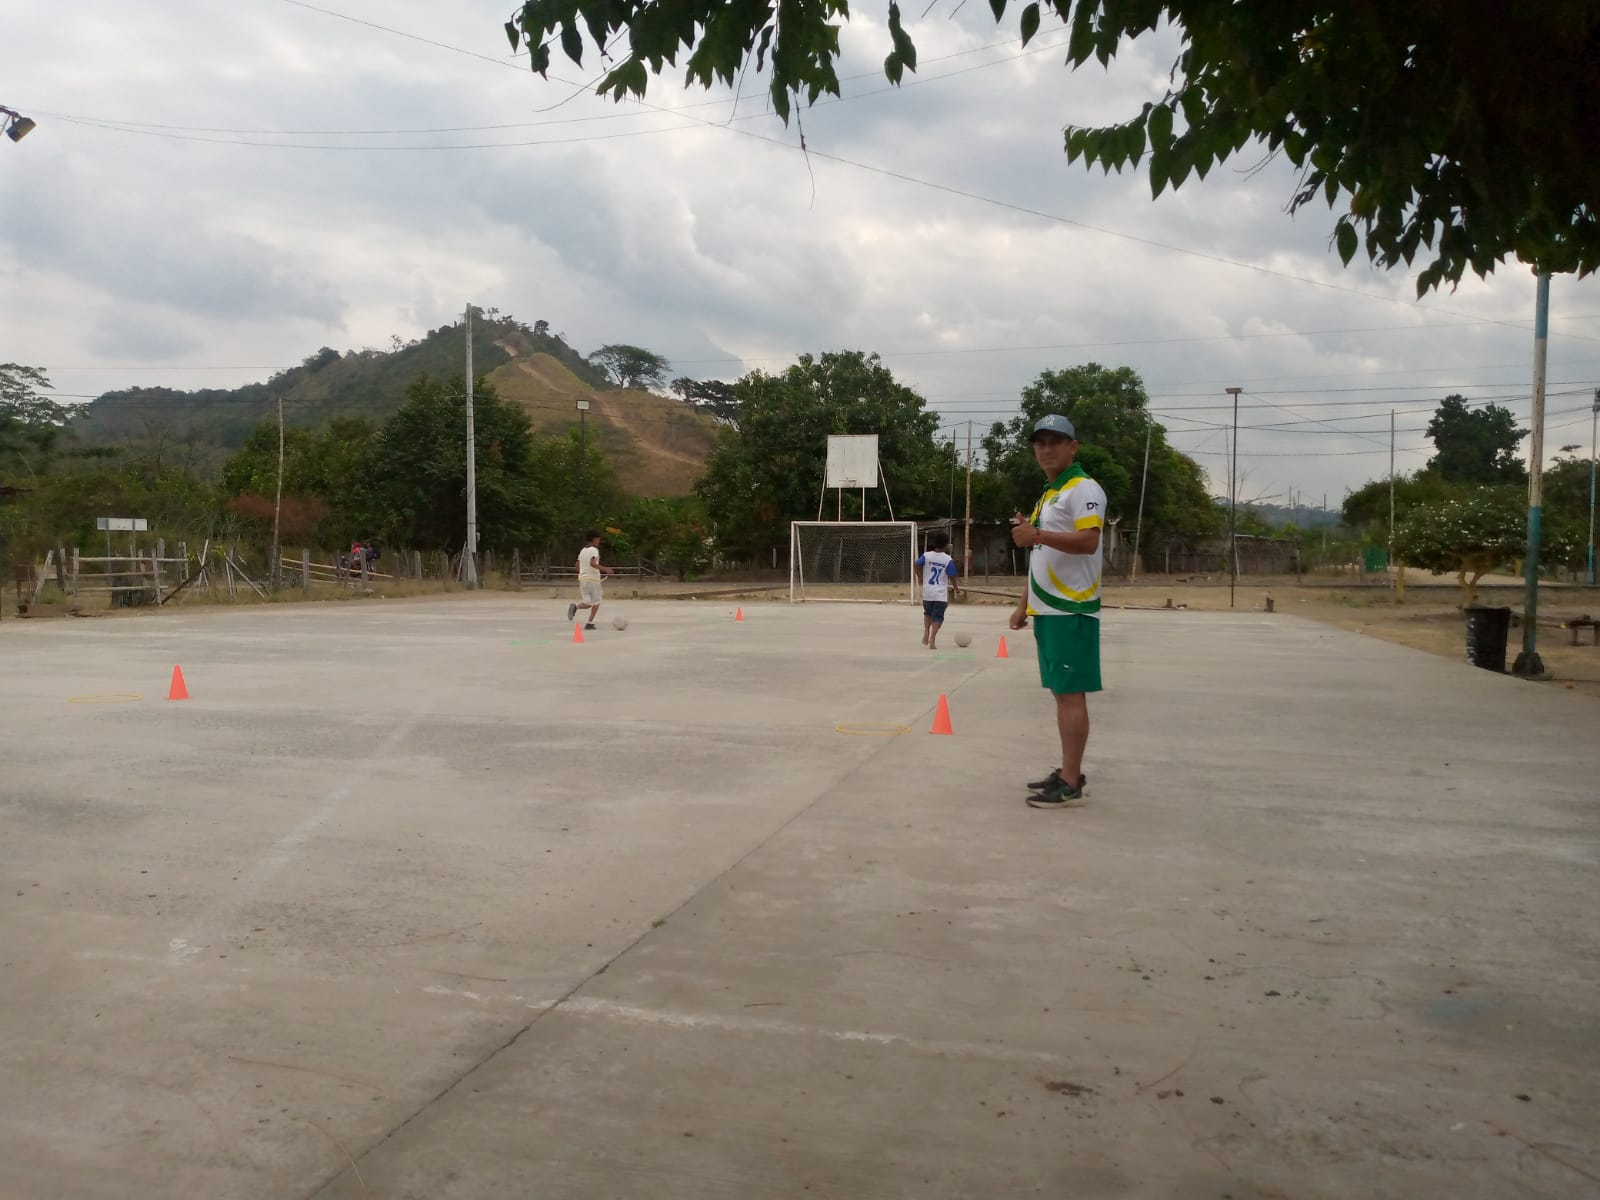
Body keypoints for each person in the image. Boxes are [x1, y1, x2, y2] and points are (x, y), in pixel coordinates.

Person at [1009, 414, 1106, 810]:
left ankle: (1071, 781)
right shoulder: (1050, 493)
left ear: (1073, 446)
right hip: (1049, 609)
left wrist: (1037, 533)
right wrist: (1024, 604)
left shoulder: (1083, 488)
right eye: (1040, 443)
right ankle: (1067, 770)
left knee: (1070, 695)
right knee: (1061, 693)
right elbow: (1040, 554)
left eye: (1055, 441)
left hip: (1071, 609)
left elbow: (1088, 541)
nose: (1046, 449)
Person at [915, 530, 959, 650]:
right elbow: (952, 575)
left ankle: (926, 631)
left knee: (928, 613)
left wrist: (920, 577)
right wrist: (956, 588)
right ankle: (932, 638)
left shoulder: (927, 555)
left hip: (927, 592)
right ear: (946, 545)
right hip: (940, 594)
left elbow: (916, 564)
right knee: (938, 617)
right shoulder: (947, 559)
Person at [568, 530, 613, 630]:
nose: (599, 542)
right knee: (597, 601)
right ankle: (589, 623)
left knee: (587, 603)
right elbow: (592, 563)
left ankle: (576, 607)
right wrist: (606, 569)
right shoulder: (594, 550)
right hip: (593, 579)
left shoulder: (583, 550)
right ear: (595, 539)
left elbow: (577, 564)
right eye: (598, 539)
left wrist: (582, 572)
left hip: (583, 579)